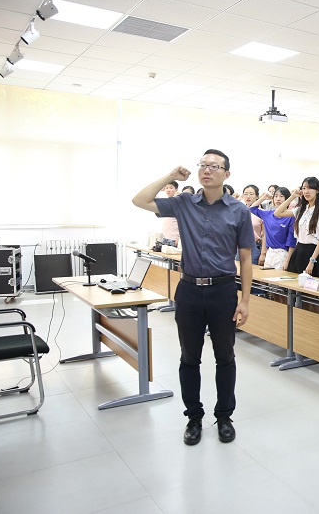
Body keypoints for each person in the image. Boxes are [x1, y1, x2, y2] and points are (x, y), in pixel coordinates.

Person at [132, 149, 253, 446]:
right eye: (203, 165)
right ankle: (194, 417)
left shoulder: (239, 211)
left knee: (225, 356)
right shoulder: (184, 203)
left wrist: (245, 300)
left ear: (227, 174)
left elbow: (246, 259)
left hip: (223, 291)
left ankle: (224, 416)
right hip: (188, 290)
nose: (206, 170)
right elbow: (140, 200)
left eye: (214, 166)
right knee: (189, 357)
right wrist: (170, 176)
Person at [274, 177, 319, 279]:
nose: (306, 191)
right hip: (299, 250)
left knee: (311, 285)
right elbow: (277, 212)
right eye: (304, 188)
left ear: (317, 190)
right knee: (293, 284)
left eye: (310, 188)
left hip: (313, 252)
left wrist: (312, 260)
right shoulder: (301, 209)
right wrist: (293, 196)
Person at [251, 187, 296, 269]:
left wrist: (287, 260)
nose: (278, 199)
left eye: (281, 196)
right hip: (270, 252)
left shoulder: (291, 217)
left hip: (283, 253)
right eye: (275, 196)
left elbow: (291, 241)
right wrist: (263, 197)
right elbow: (252, 208)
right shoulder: (267, 214)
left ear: (287, 199)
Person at [241, 184, 263, 264]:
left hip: (255, 247)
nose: (248, 197)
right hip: (240, 246)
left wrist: (263, 253)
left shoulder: (261, 212)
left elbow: (265, 235)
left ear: (257, 196)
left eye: (251, 194)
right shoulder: (239, 211)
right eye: (245, 194)